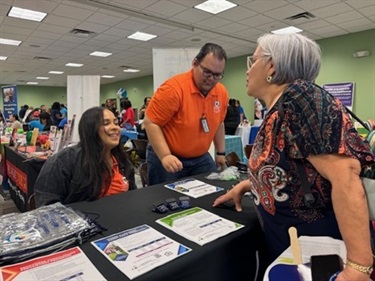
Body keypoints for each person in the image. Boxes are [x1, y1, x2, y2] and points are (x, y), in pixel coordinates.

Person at [213, 33, 375, 281]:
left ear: (272, 66)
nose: (248, 70)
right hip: (295, 248)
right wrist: (248, 185)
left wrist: (358, 267)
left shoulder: (299, 97)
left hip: (323, 251)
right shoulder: (279, 109)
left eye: (252, 60)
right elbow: (288, 169)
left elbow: (346, 178)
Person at [143, 43, 228, 185]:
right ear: (195, 63)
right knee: (166, 201)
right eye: (207, 72)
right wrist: (165, 156)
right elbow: (151, 122)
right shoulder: (173, 89)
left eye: (217, 75)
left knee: (212, 194)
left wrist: (220, 153)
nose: (211, 79)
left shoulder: (221, 92)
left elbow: (219, 123)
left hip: (200, 158)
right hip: (170, 156)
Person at [34, 107, 136, 207]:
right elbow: (46, 206)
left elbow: (133, 197)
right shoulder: (64, 161)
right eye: (106, 123)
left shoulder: (122, 161)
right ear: (90, 129)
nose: (115, 127)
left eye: (116, 123)